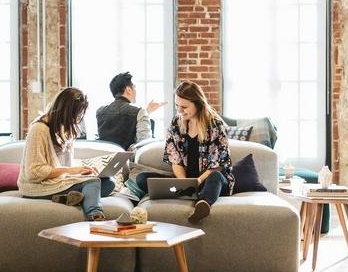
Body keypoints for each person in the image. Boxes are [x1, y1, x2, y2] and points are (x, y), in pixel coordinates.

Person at [136, 80, 232, 224]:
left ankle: (203, 203)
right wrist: (184, 183)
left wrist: (198, 181)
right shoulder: (176, 123)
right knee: (142, 179)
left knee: (216, 177)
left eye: (184, 107)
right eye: (177, 105)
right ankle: (186, 193)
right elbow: (175, 159)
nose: (179, 111)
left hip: (209, 181)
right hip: (187, 182)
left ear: (198, 104)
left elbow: (218, 164)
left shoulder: (215, 124)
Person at [18, 87, 114, 221]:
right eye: (78, 114)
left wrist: (82, 171)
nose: (78, 119)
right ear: (67, 111)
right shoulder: (39, 129)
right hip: (36, 187)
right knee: (93, 183)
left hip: (58, 182)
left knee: (109, 182)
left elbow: (65, 167)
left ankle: (70, 198)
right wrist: (72, 171)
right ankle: (96, 217)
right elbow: (34, 172)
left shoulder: (65, 130)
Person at [96, 72, 168, 150]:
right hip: (129, 161)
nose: (135, 90)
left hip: (105, 160)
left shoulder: (100, 112)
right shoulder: (139, 112)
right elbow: (144, 147)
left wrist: (146, 112)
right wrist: (144, 113)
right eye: (134, 87)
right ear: (129, 89)